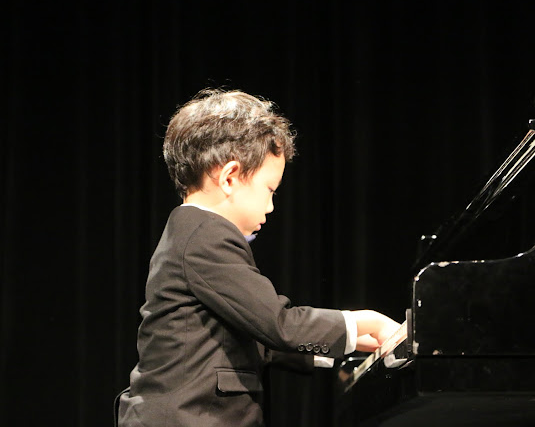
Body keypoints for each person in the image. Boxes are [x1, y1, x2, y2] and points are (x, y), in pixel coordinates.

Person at [117, 89, 401, 427]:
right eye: (269, 190)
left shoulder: (189, 232)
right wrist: (369, 322)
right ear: (230, 177)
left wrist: (348, 343)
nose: (271, 206)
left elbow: (252, 338)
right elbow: (278, 325)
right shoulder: (206, 236)